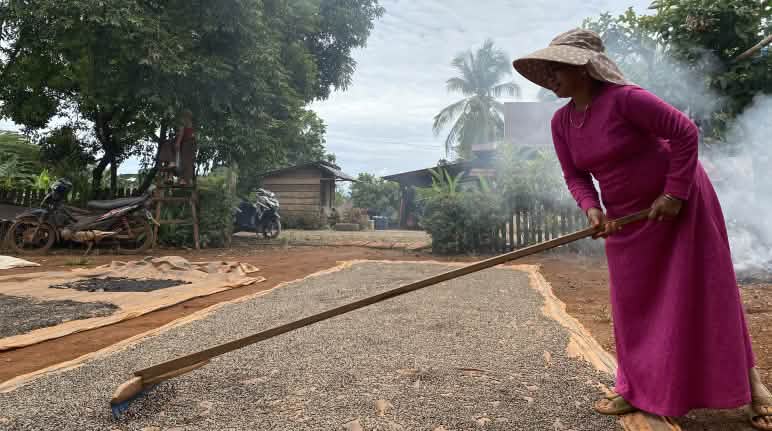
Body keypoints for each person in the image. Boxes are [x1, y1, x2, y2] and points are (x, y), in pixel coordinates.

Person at [512, 29, 771, 430]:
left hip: (680, 206)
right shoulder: (561, 122)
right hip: (625, 220)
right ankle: (633, 388)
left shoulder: (625, 99)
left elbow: (685, 131)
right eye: (545, 70)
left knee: (704, 293)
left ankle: (754, 390)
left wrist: (674, 193)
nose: (549, 77)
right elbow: (575, 175)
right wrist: (591, 208)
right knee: (634, 304)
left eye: (556, 67)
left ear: (583, 68)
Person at [158, 110, 197, 186]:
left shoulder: (184, 122)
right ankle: (176, 177)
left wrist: (178, 142)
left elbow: (181, 132)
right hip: (189, 144)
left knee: (169, 146)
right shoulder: (191, 124)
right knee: (186, 161)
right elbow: (193, 136)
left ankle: (174, 174)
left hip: (186, 143)